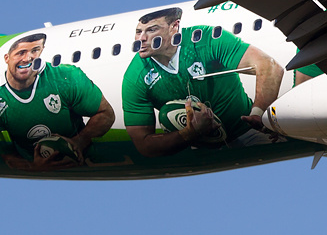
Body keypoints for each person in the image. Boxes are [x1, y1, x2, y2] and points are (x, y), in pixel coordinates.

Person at [120, 8, 283, 157]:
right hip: (201, 148)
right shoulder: (135, 77)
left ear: (174, 27)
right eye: (138, 32)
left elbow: (269, 66)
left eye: (151, 30)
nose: (141, 39)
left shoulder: (205, 40)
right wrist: (189, 133)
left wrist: (258, 114)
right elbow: (144, 145)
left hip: (247, 131)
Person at [0, 32, 116, 171]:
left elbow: (106, 114)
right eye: (21, 53)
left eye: (35, 51)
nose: (28, 58)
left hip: (85, 160)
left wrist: (79, 141)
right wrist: (34, 167)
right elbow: (7, 155)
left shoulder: (66, 77)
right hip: (38, 169)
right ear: (7, 58)